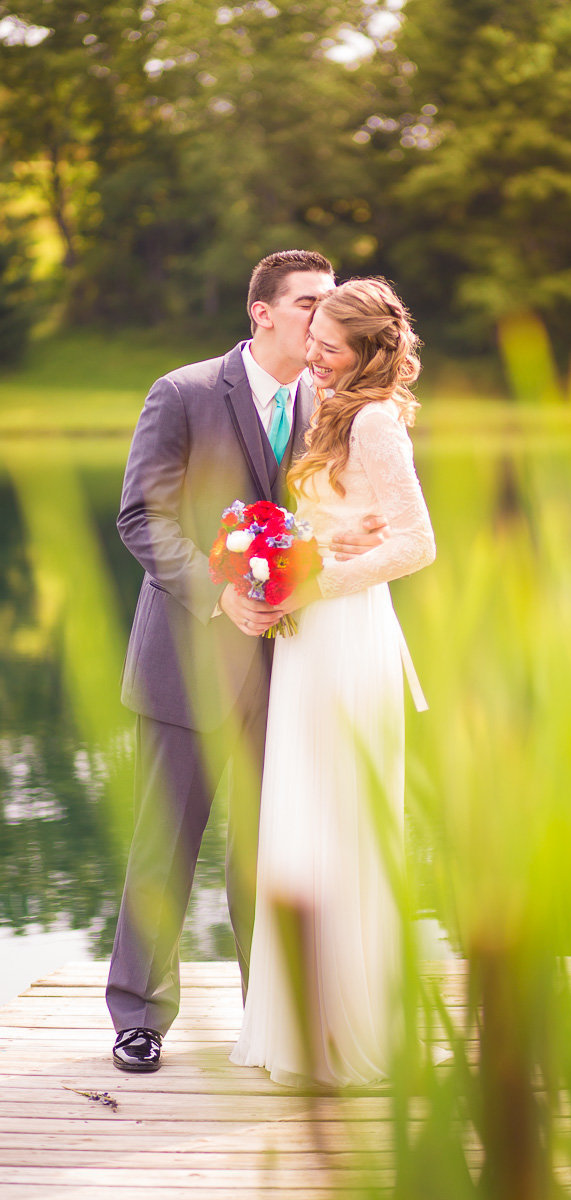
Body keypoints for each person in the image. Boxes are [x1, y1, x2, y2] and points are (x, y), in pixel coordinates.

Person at [107, 250, 388, 1073]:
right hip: (186, 661)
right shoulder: (186, 392)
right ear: (260, 311)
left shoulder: (337, 407)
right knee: (165, 848)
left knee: (273, 850)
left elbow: (340, 518)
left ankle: (270, 1019)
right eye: (307, 303)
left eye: (330, 305)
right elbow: (141, 516)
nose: (321, 319)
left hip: (295, 668)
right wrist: (217, 593)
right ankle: (139, 1017)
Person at [230, 278, 435, 1087]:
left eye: (327, 349)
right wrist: (294, 551)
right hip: (308, 642)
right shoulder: (329, 410)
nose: (311, 356)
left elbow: (416, 544)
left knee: (340, 817)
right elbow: (329, 521)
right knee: (299, 817)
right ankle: (299, 1026)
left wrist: (314, 585)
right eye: (309, 341)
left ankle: (351, 1028)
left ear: (368, 355)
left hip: (348, 640)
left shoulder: (378, 421)